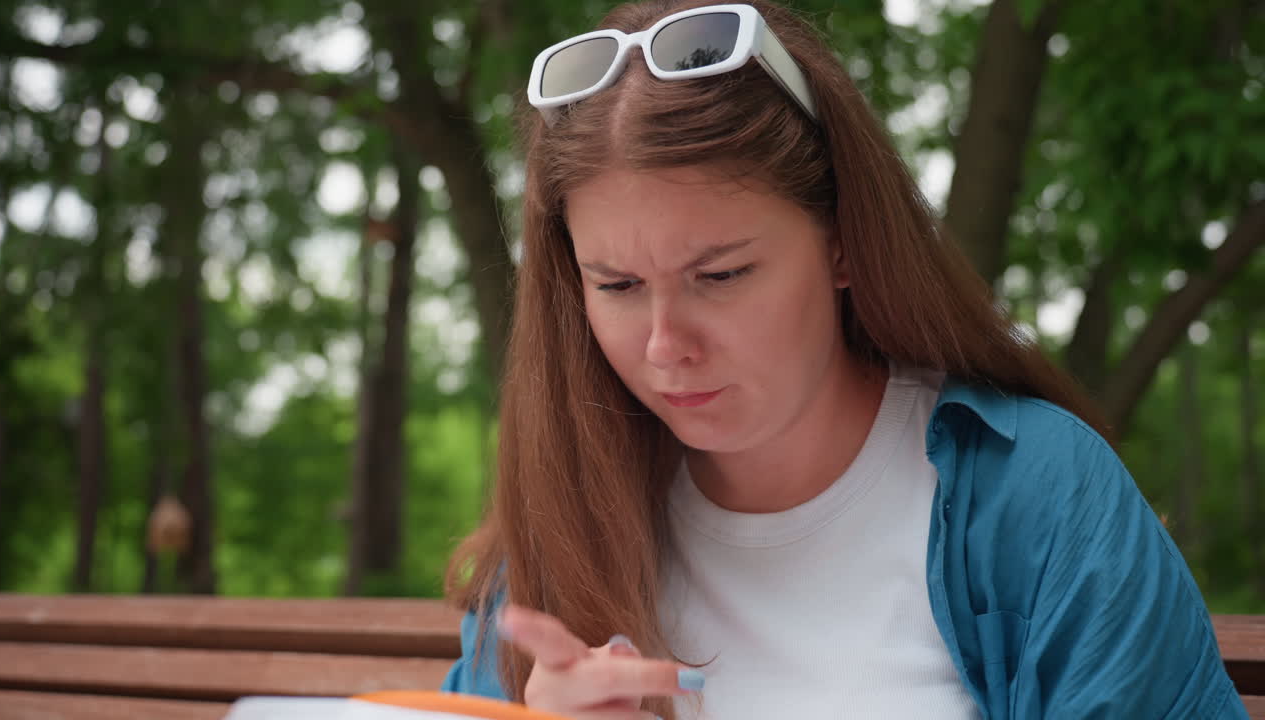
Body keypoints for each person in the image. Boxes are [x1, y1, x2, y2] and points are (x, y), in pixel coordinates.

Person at [438, 1, 1249, 718]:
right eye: (616, 285)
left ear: (844, 245)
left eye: (720, 276)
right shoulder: (563, 527)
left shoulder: (1031, 493)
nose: (663, 345)